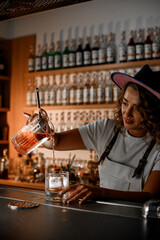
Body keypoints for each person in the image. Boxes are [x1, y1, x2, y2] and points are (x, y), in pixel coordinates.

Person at [26, 64, 160, 204]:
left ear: (153, 110)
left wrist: (100, 192)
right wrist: (40, 129)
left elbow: (149, 196)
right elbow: (55, 142)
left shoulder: (157, 146)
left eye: (137, 107)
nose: (127, 112)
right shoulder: (106, 129)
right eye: (125, 103)